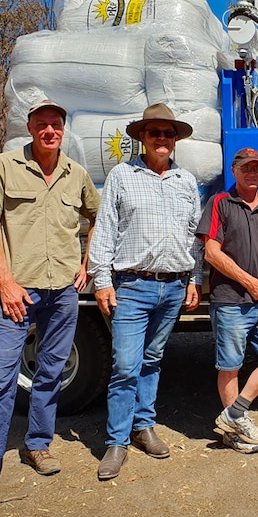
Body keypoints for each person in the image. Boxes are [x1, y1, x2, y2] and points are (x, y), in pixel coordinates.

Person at [0, 100, 99, 513]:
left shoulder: (76, 175)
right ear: (30, 127)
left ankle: (38, 445)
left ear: (64, 129)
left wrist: (87, 264)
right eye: (43, 124)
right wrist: (4, 281)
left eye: (56, 124)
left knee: (51, 372)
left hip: (63, 294)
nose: (50, 131)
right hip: (16, 293)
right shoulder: (3, 166)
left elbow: (97, 217)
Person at [88, 104, 203, 480]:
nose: (162, 139)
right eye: (155, 132)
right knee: (125, 365)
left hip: (172, 287)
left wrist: (194, 279)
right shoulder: (123, 175)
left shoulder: (186, 181)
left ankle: (144, 427)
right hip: (133, 286)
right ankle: (116, 442)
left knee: (152, 359)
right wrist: (101, 279)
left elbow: (193, 238)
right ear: (142, 137)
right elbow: (104, 229)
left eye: (168, 133)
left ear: (175, 140)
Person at [196, 147, 258, 454]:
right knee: (230, 367)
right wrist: (249, 281)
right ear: (235, 171)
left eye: (257, 168)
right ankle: (233, 434)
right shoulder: (221, 204)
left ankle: (234, 414)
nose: (252, 173)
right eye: (246, 168)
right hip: (230, 301)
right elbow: (211, 252)